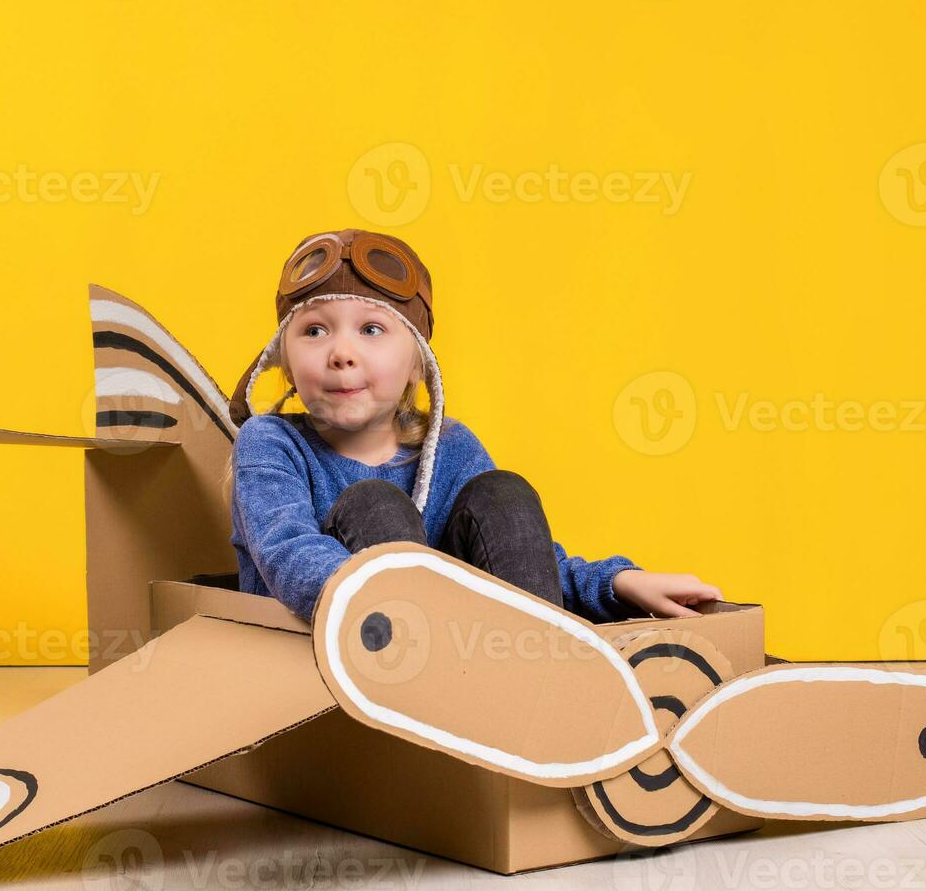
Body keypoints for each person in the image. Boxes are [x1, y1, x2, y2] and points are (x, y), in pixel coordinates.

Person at [224, 228, 724, 624]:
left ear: (418, 364)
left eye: (372, 329)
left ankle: (542, 679)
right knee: (375, 502)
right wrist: (429, 610)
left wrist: (617, 584)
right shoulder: (271, 443)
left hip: (472, 662)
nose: (341, 353)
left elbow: (519, 563)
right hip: (355, 657)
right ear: (284, 363)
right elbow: (289, 555)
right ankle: (446, 691)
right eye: (314, 330)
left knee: (503, 493)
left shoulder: (450, 448)